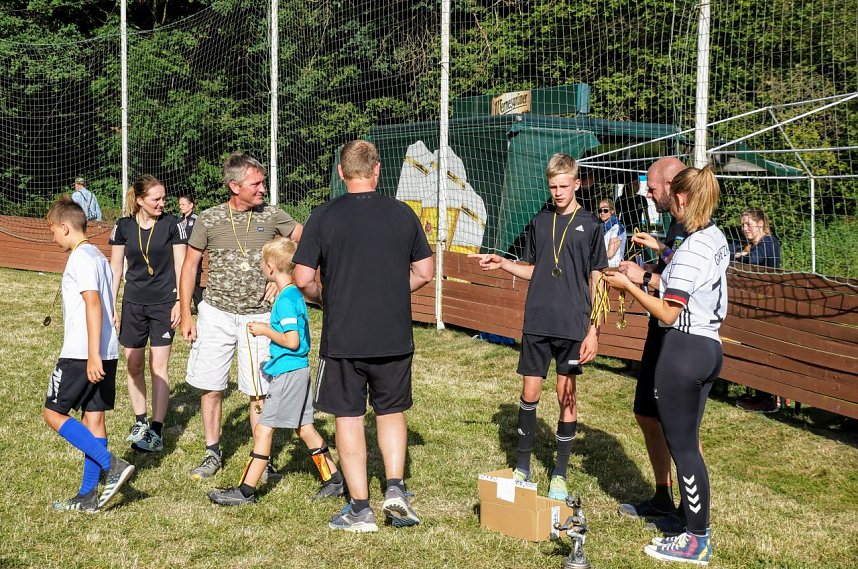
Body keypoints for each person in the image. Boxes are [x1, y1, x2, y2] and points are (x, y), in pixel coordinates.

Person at [293, 140, 434, 533]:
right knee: (391, 411)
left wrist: (327, 297)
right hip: (393, 333)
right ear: (377, 170)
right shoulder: (403, 214)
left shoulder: (322, 216)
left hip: (343, 336)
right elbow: (424, 271)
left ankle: (360, 508)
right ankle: (395, 488)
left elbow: (302, 278)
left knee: (349, 416)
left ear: (341, 173)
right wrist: (390, 290)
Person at [605, 165, 729, 565]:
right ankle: (693, 529)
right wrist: (648, 276)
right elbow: (678, 285)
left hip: (684, 351)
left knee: (684, 449)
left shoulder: (692, 247)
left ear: (681, 198)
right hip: (708, 347)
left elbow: (670, 312)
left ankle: (696, 538)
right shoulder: (711, 237)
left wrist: (628, 286)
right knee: (686, 444)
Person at [470, 153, 608, 502]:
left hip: (573, 325)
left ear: (576, 183)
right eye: (552, 186)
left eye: (564, 186)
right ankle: (522, 466)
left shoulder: (591, 225)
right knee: (530, 392)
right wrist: (503, 263)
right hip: (538, 321)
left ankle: (559, 474)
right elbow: (533, 269)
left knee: (566, 395)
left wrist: (594, 329)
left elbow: (597, 279)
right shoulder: (540, 220)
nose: (558, 192)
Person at [180, 152, 302, 480]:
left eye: (263, 182)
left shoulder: (274, 215)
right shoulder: (209, 219)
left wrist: (284, 283)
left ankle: (260, 458)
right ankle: (212, 452)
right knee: (211, 386)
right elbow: (190, 265)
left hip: (259, 319)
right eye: (256, 183)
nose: (263, 189)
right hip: (215, 313)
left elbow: (306, 242)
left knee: (258, 389)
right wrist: (186, 311)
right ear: (235, 186)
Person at [207, 237, 345, 506]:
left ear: (270, 268)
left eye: (262, 262)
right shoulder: (293, 294)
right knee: (303, 428)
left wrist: (265, 330)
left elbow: (292, 341)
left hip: (288, 373)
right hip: (298, 370)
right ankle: (335, 479)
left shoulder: (284, 301)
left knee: (264, 429)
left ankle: (245, 491)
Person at [43, 197, 135, 512]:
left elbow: (93, 304)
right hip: (105, 351)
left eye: (52, 230)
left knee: (53, 414)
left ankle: (112, 464)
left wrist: (92, 354)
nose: (52, 236)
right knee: (93, 419)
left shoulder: (80, 259)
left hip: (84, 352)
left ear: (64, 227)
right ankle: (87, 496)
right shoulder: (97, 255)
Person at [615, 157, 689, 533]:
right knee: (646, 413)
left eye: (653, 187)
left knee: (681, 428)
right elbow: (674, 265)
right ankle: (662, 495)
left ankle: (689, 512)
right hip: (657, 330)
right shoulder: (675, 225)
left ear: (672, 184)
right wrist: (659, 249)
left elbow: (682, 291)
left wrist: (639, 277)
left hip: (680, 338)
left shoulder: (695, 225)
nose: (648, 192)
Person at [109, 176, 187, 452]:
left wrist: (180, 301)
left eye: (163, 198)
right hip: (133, 304)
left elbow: (181, 266)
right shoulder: (123, 227)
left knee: (158, 366)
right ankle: (140, 420)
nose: (161, 204)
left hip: (164, 304)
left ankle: (156, 428)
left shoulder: (172, 224)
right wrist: (112, 305)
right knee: (133, 364)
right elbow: (116, 268)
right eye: (156, 199)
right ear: (140, 200)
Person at [734, 207, 781, 412]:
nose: (745, 229)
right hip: (755, 304)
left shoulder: (768, 242)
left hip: (767, 305)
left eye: (748, 224)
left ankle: (767, 398)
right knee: (750, 346)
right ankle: (758, 393)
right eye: (742, 225)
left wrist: (739, 256)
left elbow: (753, 261)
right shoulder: (752, 245)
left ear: (761, 224)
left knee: (761, 349)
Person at [177, 194, 205, 312]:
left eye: (183, 204)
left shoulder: (197, 220)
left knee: (195, 283)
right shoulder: (178, 221)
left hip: (193, 256)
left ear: (191, 205)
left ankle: (199, 306)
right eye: (180, 204)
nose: (180, 207)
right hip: (181, 256)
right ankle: (183, 305)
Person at [598, 198, 626, 267]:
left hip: (612, 267)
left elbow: (610, 254)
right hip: (602, 265)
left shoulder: (616, 227)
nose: (602, 213)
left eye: (605, 210)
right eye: (600, 210)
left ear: (612, 211)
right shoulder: (601, 227)